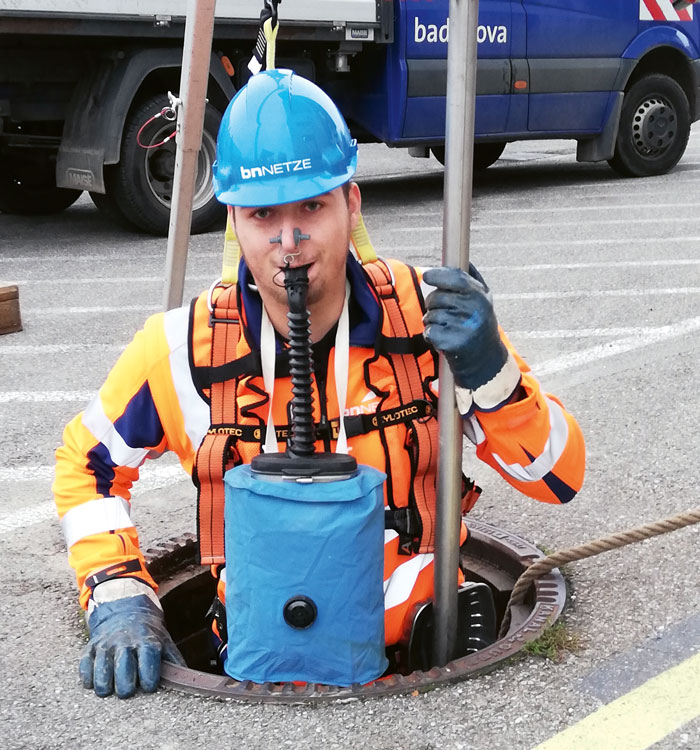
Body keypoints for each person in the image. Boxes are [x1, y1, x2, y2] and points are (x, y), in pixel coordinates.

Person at [53, 69, 585, 699]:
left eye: (312, 206)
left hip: (424, 679)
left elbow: (558, 477)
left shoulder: (431, 325)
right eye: (262, 215)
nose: (289, 241)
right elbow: (84, 466)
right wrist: (117, 594)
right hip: (256, 679)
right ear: (234, 222)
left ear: (350, 204)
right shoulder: (179, 350)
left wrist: (488, 368)